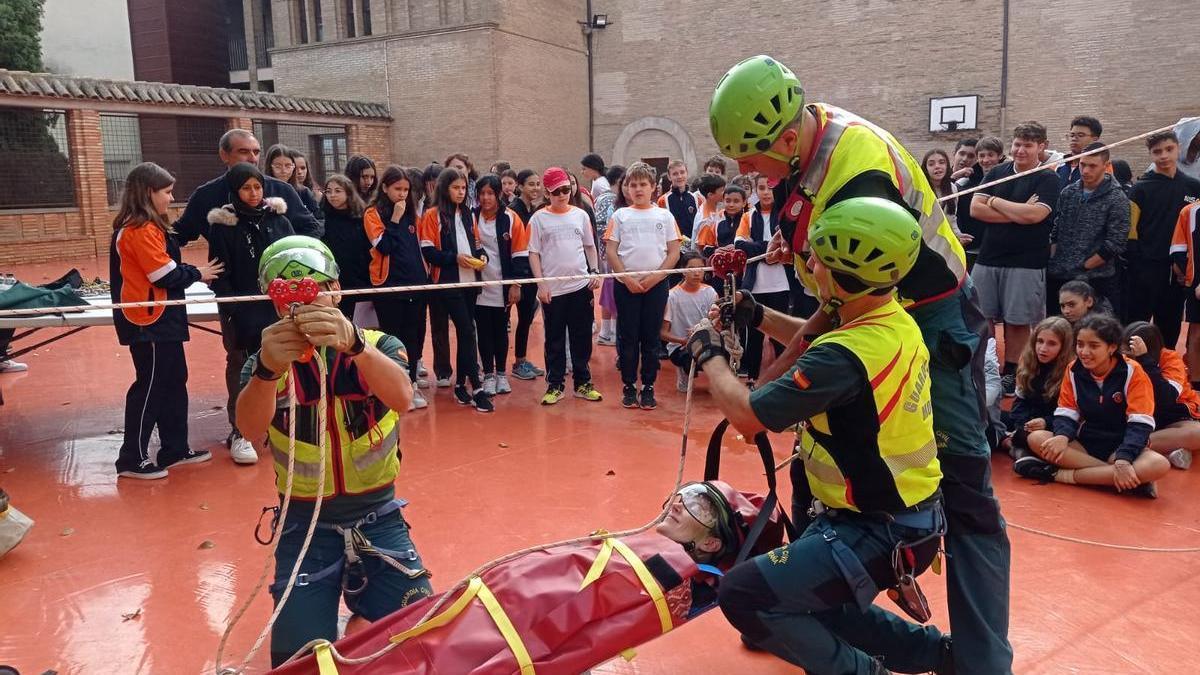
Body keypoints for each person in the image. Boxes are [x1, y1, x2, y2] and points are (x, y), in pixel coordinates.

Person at [708, 55, 1011, 672]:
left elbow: (838, 307)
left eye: (750, 158)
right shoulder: (806, 146)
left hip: (930, 316)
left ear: (788, 139)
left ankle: (981, 662)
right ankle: (794, 606)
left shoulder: (857, 176)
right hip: (873, 310)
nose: (744, 173)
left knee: (964, 493)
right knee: (816, 458)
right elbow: (830, 291)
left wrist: (772, 369)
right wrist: (766, 321)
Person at [690, 197, 950, 674]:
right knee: (820, 604)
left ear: (843, 271)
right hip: (900, 518)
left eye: (816, 258)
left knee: (743, 594)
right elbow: (820, 340)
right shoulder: (887, 317)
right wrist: (758, 315)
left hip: (876, 529)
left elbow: (748, 416)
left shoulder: (845, 357)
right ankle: (940, 656)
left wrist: (710, 355)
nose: (807, 264)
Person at [273, 479, 778, 675]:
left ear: (711, 544)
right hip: (478, 602)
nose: (679, 500)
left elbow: (564, 627)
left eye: (697, 506)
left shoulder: (660, 571)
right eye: (688, 491)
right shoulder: (640, 549)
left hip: (490, 633)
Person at [235, 236, 433, 667]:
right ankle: (346, 622)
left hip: (379, 518)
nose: (302, 302)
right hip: (303, 524)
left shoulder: (380, 345)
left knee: (424, 638)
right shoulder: (266, 360)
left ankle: (362, 623)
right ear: (272, 300)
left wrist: (356, 346)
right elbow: (249, 430)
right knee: (299, 661)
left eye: (314, 287)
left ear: (337, 289)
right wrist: (268, 371)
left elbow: (403, 396)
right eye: (285, 292)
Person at [171, 129, 319, 461]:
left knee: (293, 357)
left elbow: (311, 229)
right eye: (242, 152)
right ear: (224, 155)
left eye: (255, 151)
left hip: (282, 300)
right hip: (237, 301)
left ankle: (290, 427)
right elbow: (179, 234)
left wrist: (297, 269)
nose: (252, 158)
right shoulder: (208, 198)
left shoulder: (280, 195)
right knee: (241, 360)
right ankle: (241, 430)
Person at [110, 162, 222, 479]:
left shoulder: (153, 227)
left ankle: (174, 448)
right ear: (149, 192)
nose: (171, 198)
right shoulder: (138, 229)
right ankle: (131, 457)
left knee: (174, 380)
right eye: (167, 192)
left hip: (163, 317)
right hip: (148, 321)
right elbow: (163, 274)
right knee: (151, 385)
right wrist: (199, 273)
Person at [1017, 314, 1170, 497]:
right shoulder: (1073, 369)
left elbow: (1140, 422)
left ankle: (1059, 475)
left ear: (1112, 347)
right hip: (1085, 443)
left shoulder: (1133, 372)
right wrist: (1062, 436)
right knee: (1037, 438)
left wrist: (1123, 458)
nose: (1084, 352)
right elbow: (1067, 411)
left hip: (1120, 446)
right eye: (1080, 344)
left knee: (1159, 464)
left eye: (1094, 346)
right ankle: (1121, 479)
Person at [206, 162, 296, 464]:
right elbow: (220, 273)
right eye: (246, 187)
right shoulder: (223, 225)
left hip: (277, 307)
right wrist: (231, 308)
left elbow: (290, 257)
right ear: (235, 190)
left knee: (282, 366)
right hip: (242, 310)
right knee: (242, 366)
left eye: (257, 186)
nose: (254, 193)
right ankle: (240, 431)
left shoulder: (278, 220)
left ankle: (281, 426)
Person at [971, 121, 1061, 396]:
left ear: (1041, 147)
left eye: (1028, 145)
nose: (1021, 150)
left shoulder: (1048, 178)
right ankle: (981, 366)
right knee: (979, 316)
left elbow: (1036, 216)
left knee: (1018, 321)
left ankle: (1012, 372)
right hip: (989, 257)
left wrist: (995, 202)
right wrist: (1018, 212)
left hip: (1026, 261)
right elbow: (976, 208)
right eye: (1017, 144)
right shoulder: (998, 172)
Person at [605, 162, 682, 410]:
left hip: (655, 287)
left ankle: (648, 386)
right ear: (627, 188)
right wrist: (627, 278)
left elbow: (673, 252)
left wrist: (654, 278)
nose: (638, 189)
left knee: (650, 337)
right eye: (633, 184)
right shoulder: (620, 216)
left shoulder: (665, 216)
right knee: (628, 337)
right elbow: (611, 251)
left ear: (653, 188)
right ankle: (628, 384)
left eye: (643, 184)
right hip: (626, 286)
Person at [418, 168, 493, 412]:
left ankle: (461, 384)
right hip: (449, 282)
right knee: (468, 330)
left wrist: (481, 256)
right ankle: (477, 387)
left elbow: (477, 243)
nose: (460, 192)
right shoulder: (432, 215)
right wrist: (455, 259)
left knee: (466, 333)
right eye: (455, 188)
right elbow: (429, 252)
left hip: (471, 280)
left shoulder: (468, 214)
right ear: (444, 189)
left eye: (463, 188)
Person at [527, 167, 603, 405]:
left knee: (582, 337)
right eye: (556, 191)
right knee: (555, 339)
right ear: (547, 194)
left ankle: (582, 382)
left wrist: (594, 271)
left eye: (566, 190)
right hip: (554, 290)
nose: (562, 195)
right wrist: (541, 285)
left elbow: (590, 246)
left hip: (580, 287)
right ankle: (555, 384)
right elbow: (534, 254)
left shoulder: (580, 215)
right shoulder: (539, 218)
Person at [1125, 130, 1200, 347]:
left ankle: (1167, 374)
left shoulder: (1193, 187)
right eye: (1157, 152)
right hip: (1144, 270)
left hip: (1178, 274)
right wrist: (1138, 264)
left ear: (1178, 148)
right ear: (1150, 155)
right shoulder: (1140, 189)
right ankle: (1132, 373)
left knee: (1170, 326)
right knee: (1136, 325)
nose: (1164, 155)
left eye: (1169, 149)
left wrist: (1184, 266)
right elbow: (1130, 233)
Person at [365, 166, 431, 409]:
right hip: (389, 286)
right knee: (393, 337)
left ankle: (411, 383)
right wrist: (393, 219)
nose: (402, 194)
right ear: (384, 188)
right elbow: (383, 246)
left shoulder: (414, 216)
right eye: (397, 189)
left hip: (416, 284)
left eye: (406, 190)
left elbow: (421, 247)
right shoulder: (373, 213)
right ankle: (394, 386)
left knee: (414, 336)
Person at [1047, 142, 1129, 317]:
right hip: (1059, 275)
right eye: (1083, 164)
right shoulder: (1068, 192)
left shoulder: (1117, 197)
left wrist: (1084, 266)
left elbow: (1116, 242)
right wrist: (1054, 260)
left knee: (1095, 333)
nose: (1085, 171)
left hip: (1097, 279)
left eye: (1092, 166)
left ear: (1106, 166)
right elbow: (1056, 230)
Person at [473, 173, 529, 396]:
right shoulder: (470, 216)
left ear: (498, 195)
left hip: (502, 284)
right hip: (478, 285)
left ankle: (502, 374)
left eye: (490, 193)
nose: (486, 198)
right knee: (483, 331)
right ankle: (487, 374)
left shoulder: (511, 218)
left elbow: (520, 253)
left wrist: (516, 285)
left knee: (501, 330)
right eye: (482, 194)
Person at [735, 176, 791, 384]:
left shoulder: (785, 216)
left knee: (780, 332)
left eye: (769, 188)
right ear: (755, 191)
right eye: (761, 188)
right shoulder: (748, 217)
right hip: (755, 284)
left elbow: (789, 243)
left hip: (782, 284)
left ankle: (784, 378)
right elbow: (740, 244)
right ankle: (752, 377)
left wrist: (761, 247)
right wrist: (769, 250)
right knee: (755, 333)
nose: (766, 192)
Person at [1124, 321, 1200, 470]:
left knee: (1197, 433)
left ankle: (1129, 446)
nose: (1126, 356)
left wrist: (1145, 361)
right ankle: (1164, 450)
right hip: (1136, 415)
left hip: (1170, 417)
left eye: (1130, 353)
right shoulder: (1120, 357)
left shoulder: (1171, 359)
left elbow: (1167, 398)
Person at [1008, 316, 1073, 462]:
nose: (1043, 349)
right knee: (984, 420)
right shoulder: (1028, 361)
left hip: (1054, 425)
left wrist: (1045, 422)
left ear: (1063, 347)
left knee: (1030, 438)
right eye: (1040, 341)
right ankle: (1012, 444)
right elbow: (1020, 402)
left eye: (1052, 344)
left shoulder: (1071, 371)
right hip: (1029, 421)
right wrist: (1021, 424)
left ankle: (1014, 445)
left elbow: (1071, 414)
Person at [509, 169, 548, 381]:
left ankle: (521, 361)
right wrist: (516, 280)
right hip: (518, 274)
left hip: (530, 273)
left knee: (525, 319)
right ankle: (501, 367)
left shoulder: (532, 209)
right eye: (531, 184)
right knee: (508, 320)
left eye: (537, 184)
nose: (536, 188)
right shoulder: (513, 210)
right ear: (520, 186)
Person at [662, 251, 718, 392]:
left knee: (720, 354)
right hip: (680, 346)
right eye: (691, 268)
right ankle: (684, 372)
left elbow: (717, 322)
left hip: (706, 340)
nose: (697, 273)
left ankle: (716, 380)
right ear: (683, 271)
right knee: (688, 357)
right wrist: (684, 341)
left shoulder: (710, 293)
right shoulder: (672, 296)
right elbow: (662, 333)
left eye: (700, 268)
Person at [319, 174, 371, 320]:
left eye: (337, 191)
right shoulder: (322, 218)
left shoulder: (362, 217)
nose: (332, 195)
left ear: (348, 192)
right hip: (334, 281)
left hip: (361, 281)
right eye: (328, 191)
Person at [954, 136, 1006, 269]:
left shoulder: (1009, 178)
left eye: (991, 155)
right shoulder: (964, 183)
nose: (986, 160)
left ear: (1000, 156)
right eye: (982, 156)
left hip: (1000, 249)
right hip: (971, 249)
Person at [593, 165, 626, 346]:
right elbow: (607, 228)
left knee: (609, 290)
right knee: (612, 290)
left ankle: (608, 331)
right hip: (612, 253)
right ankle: (609, 332)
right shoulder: (611, 200)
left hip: (607, 252)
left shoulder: (603, 198)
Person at [1169, 190, 1200, 380]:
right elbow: (1179, 249)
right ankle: (1196, 385)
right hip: (1196, 284)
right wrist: (1188, 277)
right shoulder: (1190, 211)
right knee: (1197, 335)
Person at [698, 184, 746, 296]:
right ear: (723, 201)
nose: (731, 204)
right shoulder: (714, 220)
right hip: (720, 272)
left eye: (736, 201)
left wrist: (738, 248)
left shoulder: (749, 218)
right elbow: (705, 248)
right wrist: (718, 250)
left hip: (744, 272)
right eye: (728, 201)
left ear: (744, 202)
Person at [267, 144, 322, 221]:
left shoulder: (304, 192)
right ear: (270, 166)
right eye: (278, 166)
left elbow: (319, 220)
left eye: (288, 166)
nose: (283, 171)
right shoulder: (262, 190)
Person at [658, 159, 700, 240]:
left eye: (682, 172)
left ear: (687, 173)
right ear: (669, 177)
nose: (680, 176)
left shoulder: (697, 199)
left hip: (692, 246)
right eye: (675, 174)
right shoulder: (663, 200)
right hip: (673, 245)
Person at [1056, 116, 1104, 187]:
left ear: (1095, 139)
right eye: (1072, 135)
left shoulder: (1100, 169)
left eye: (1080, 135)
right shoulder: (1060, 167)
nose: (1074, 139)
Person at [692, 174, 726, 253]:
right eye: (722, 190)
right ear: (710, 195)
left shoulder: (714, 206)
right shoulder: (706, 221)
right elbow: (702, 248)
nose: (725, 192)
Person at [922, 148, 955, 216]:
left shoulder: (953, 188)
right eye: (931, 164)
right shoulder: (920, 190)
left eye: (941, 162)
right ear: (925, 169)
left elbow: (952, 219)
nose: (937, 166)